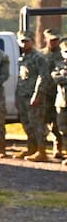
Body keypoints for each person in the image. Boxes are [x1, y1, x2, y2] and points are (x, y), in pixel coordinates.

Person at [15, 32, 52, 162]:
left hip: (34, 97)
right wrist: (17, 96)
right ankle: (32, 149)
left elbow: (43, 77)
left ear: (32, 41)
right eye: (22, 41)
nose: (24, 44)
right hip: (23, 96)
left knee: (37, 124)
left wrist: (37, 94)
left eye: (27, 41)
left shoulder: (39, 57)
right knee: (27, 124)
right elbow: (21, 78)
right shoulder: (22, 58)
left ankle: (42, 152)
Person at [35, 38, 67, 166]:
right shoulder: (59, 64)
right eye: (65, 51)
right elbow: (56, 77)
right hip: (61, 101)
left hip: (61, 99)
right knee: (62, 129)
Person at [43, 29, 65, 159]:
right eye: (51, 40)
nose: (54, 42)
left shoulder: (63, 54)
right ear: (46, 39)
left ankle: (58, 147)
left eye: (56, 40)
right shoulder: (41, 55)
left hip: (59, 94)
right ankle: (39, 148)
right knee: (44, 120)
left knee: (58, 122)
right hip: (45, 93)